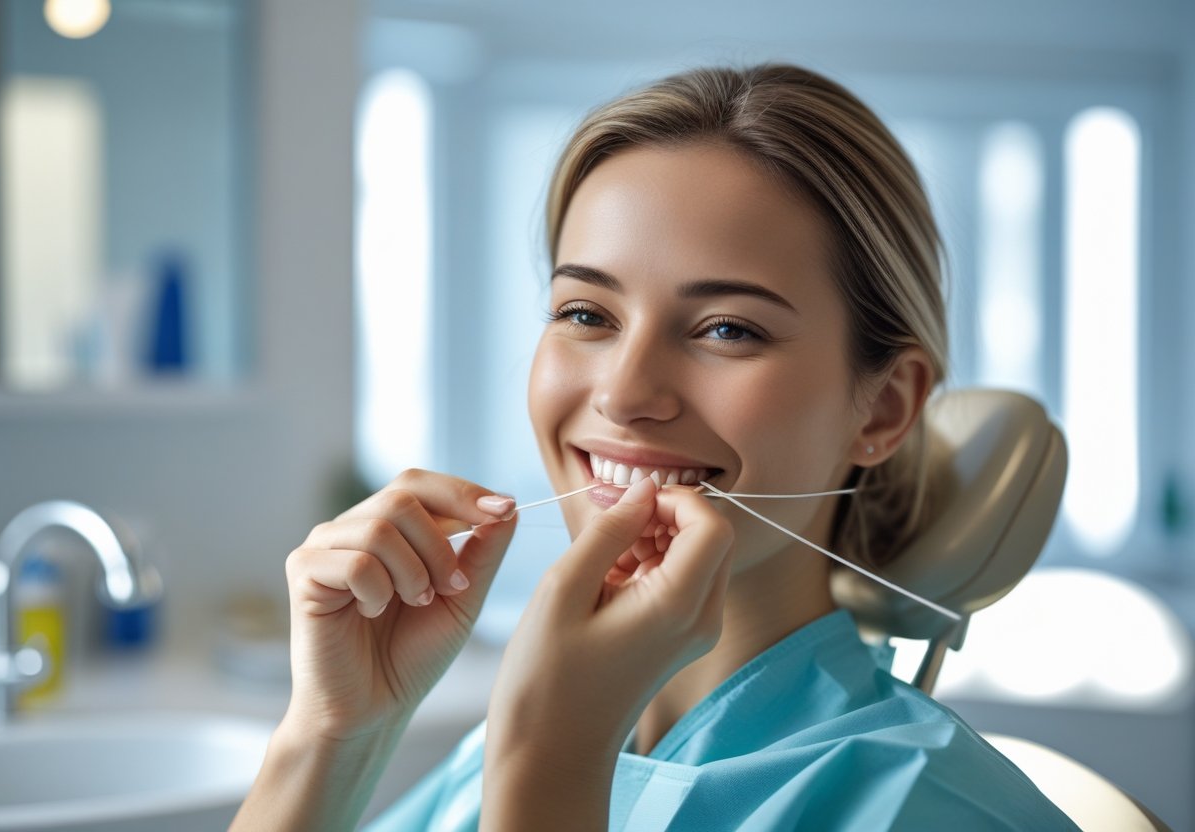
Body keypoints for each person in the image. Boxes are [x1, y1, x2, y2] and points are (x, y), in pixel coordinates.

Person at [232, 64, 1078, 831]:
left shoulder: (927, 806)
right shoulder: (498, 750)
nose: (625, 394)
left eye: (727, 329)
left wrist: (549, 759)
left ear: (883, 409)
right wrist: (333, 735)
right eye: (586, 314)